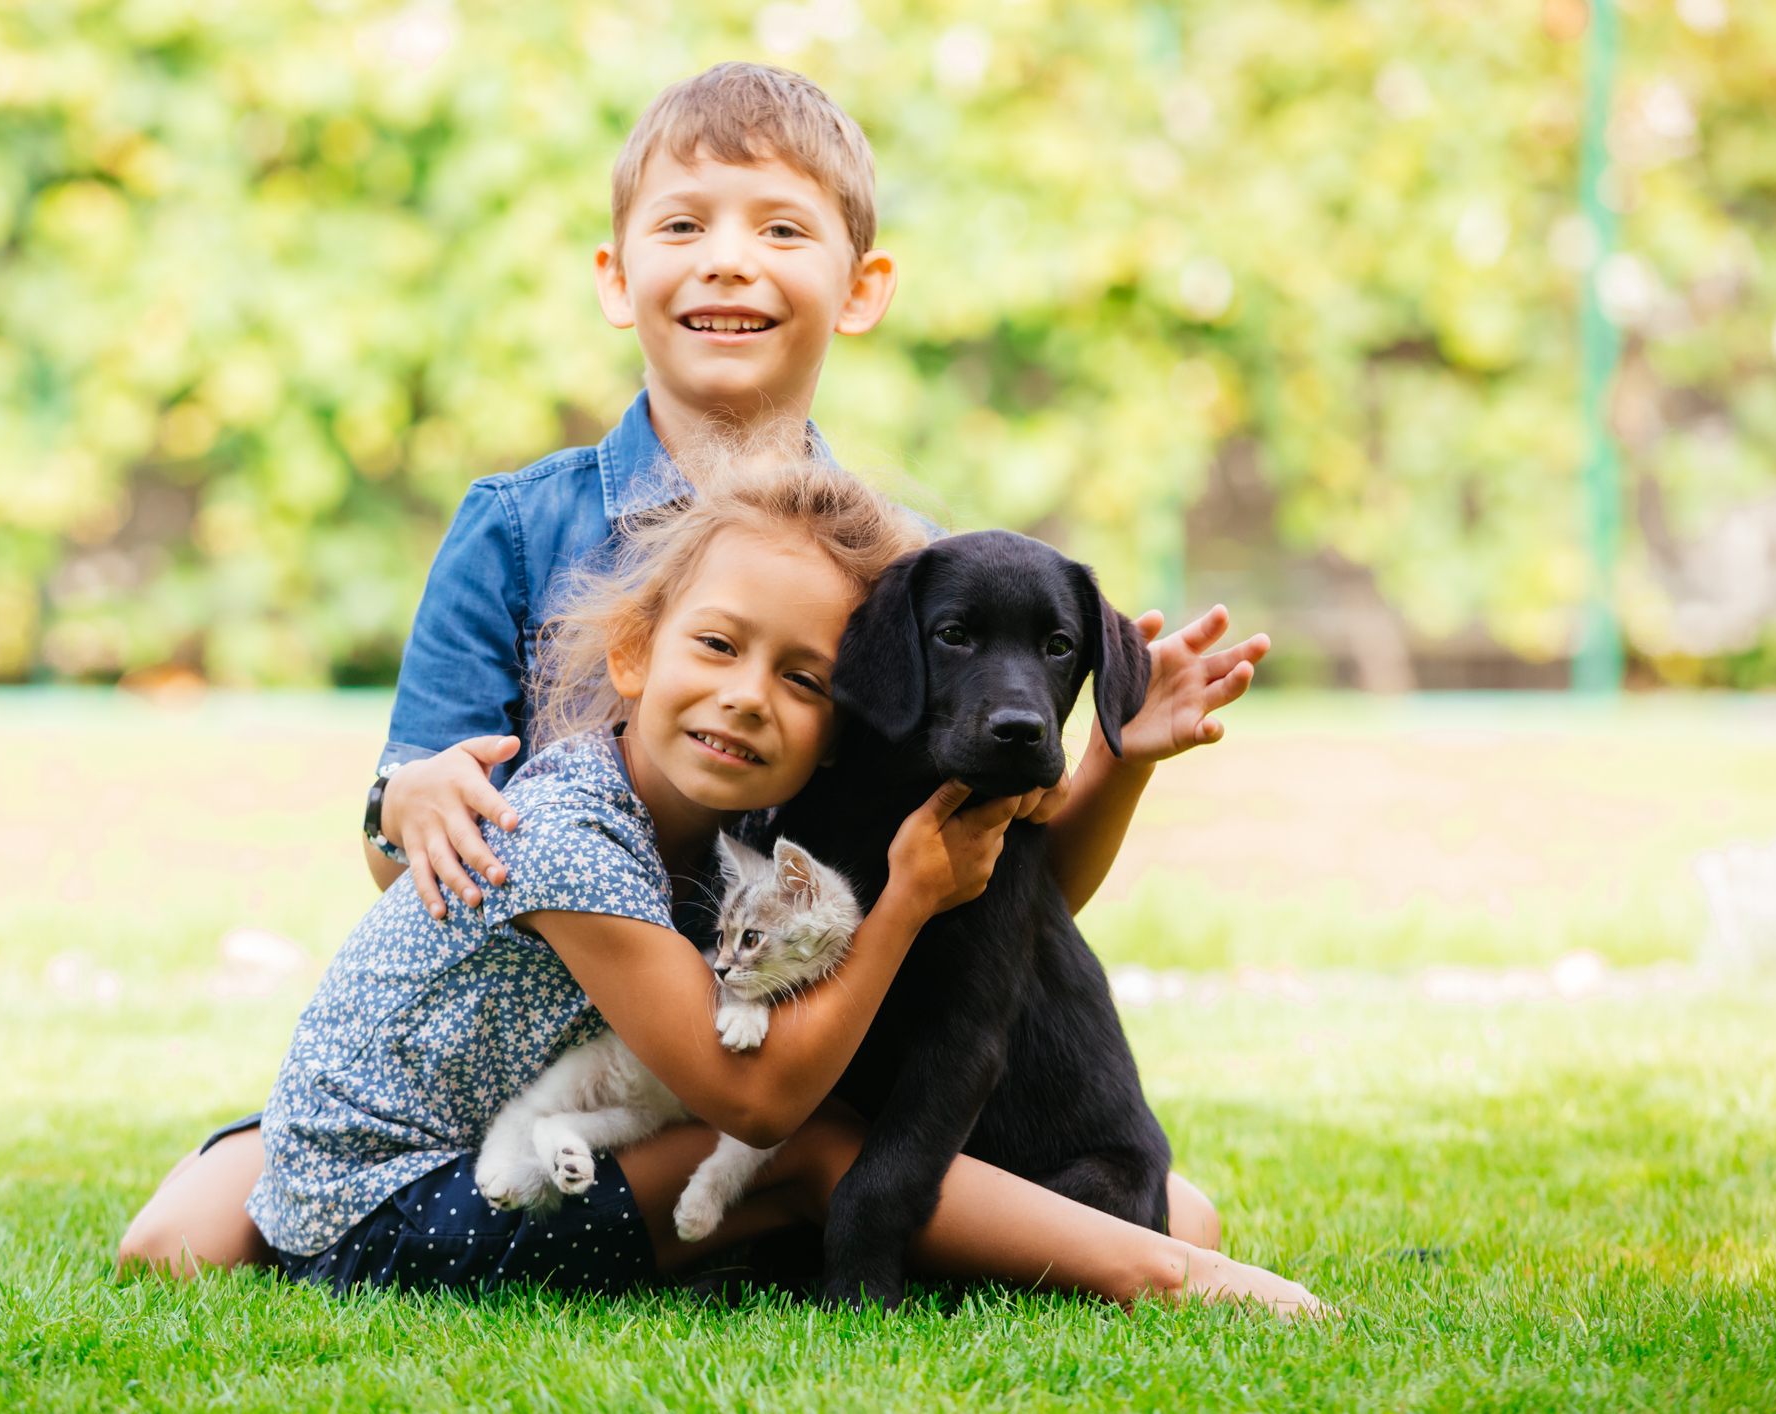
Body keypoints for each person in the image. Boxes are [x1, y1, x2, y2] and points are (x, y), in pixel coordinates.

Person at [120, 61, 1273, 1284]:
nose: (730, 259)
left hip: (765, 1053)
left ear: (861, 287)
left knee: (1162, 1215)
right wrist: (405, 800)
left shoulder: (905, 585)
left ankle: (777, 1219)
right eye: (684, 224)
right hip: (526, 1056)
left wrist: (1115, 761)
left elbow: (984, 904)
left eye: (782, 227)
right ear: (617, 279)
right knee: (172, 1248)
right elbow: (407, 860)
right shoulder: (514, 530)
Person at [127, 464, 1322, 1316]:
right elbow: (756, 1102)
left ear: (849, 710)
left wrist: (1112, 756)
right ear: (635, 655)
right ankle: (1177, 1274)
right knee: (802, 1147)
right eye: (715, 648)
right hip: (402, 1195)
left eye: (801, 675)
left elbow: (1015, 913)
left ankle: (1108, 1234)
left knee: (847, 1155)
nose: (750, 696)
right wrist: (899, 898)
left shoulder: (734, 820)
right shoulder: (570, 830)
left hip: (513, 1123)